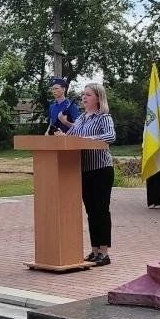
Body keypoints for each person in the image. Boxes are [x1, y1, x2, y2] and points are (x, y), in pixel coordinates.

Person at [58, 82, 116, 266]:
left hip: (101, 169)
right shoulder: (82, 118)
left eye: (88, 95)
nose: (84, 97)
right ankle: (94, 251)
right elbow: (72, 137)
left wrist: (88, 139)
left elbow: (110, 136)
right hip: (84, 171)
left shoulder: (103, 117)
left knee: (101, 210)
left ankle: (104, 253)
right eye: (83, 94)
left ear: (98, 98)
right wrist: (62, 136)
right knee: (91, 212)